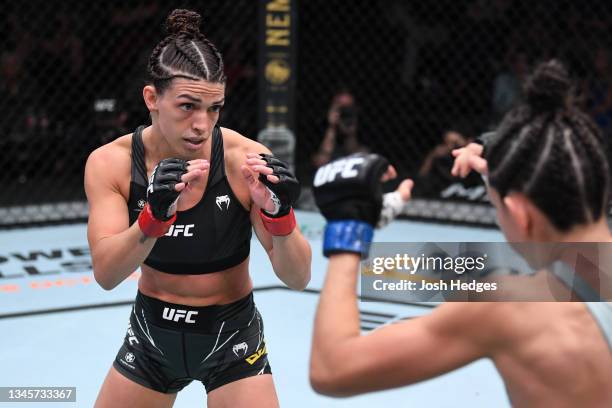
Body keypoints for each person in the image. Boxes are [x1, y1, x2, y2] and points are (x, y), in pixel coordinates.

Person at [310, 60, 612, 407]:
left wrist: (351, 228)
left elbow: (332, 367)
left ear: (519, 214)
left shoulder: (509, 308)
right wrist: (510, 161)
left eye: (497, 208)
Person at [85, 9, 311, 408]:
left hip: (232, 342)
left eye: (214, 109)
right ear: (152, 98)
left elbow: (297, 276)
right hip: (151, 338)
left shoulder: (245, 161)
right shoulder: (112, 163)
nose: (202, 125)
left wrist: (281, 219)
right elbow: (106, 273)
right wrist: (153, 218)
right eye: (187, 106)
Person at [311, 89, 368, 168]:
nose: (345, 111)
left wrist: (351, 132)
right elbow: (320, 163)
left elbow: (361, 161)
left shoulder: (363, 127)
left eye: (349, 107)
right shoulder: (319, 127)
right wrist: (332, 127)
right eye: (341, 107)